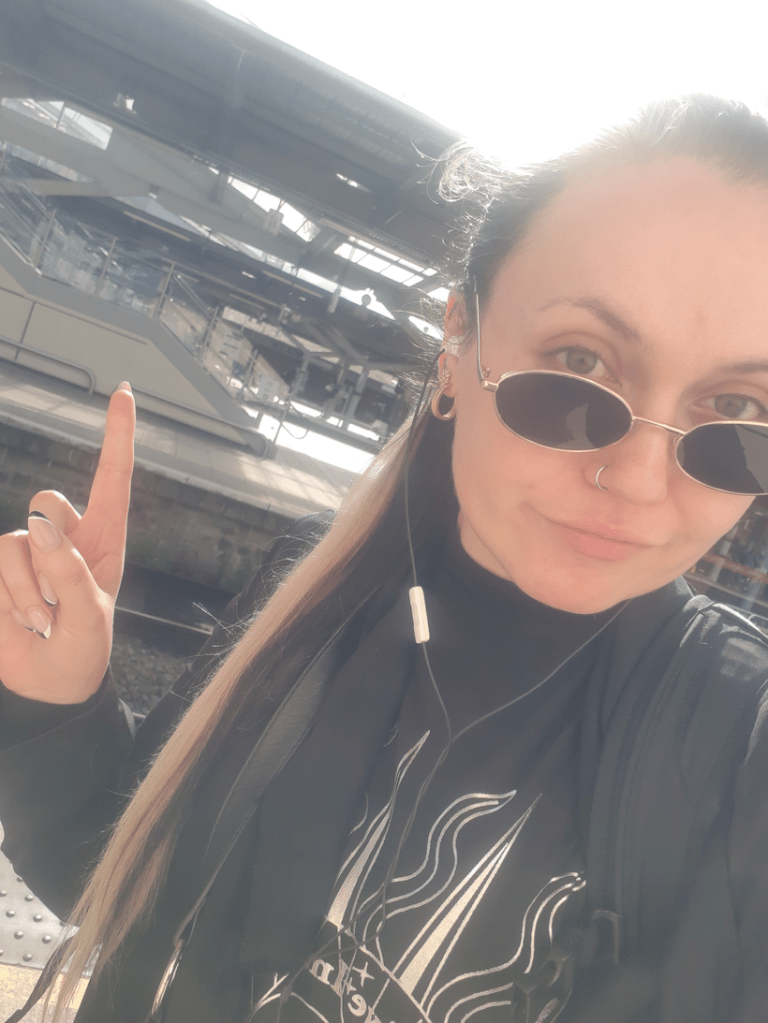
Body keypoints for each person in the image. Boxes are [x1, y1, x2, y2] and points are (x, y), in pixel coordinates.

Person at [2, 94, 768, 1023]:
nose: (641, 480)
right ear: (457, 344)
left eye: (738, 412)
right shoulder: (312, 587)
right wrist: (59, 704)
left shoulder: (738, 750)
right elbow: (116, 890)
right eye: (580, 363)